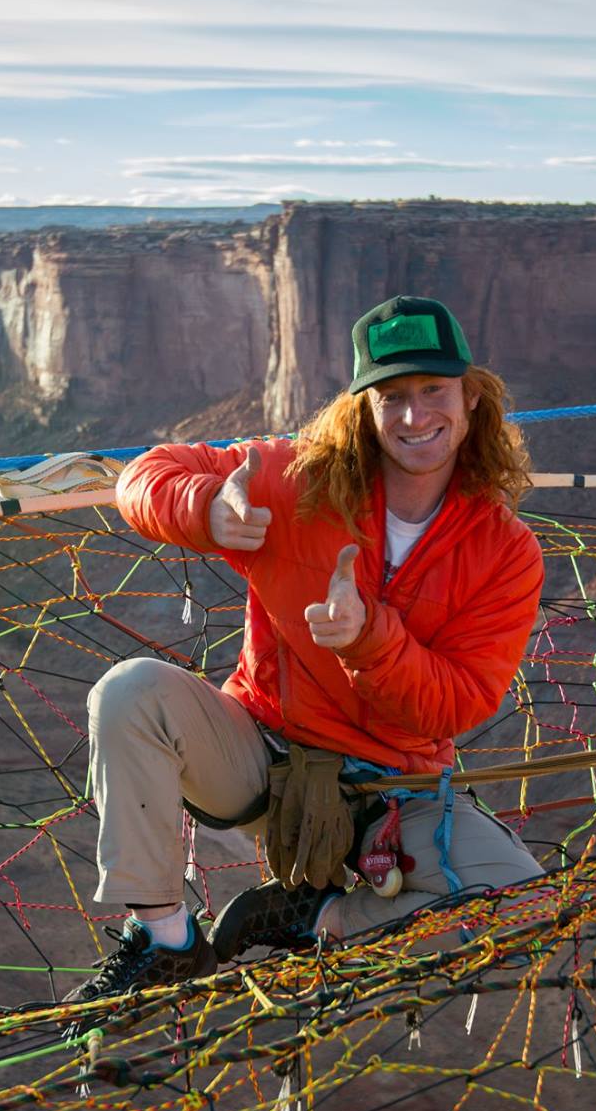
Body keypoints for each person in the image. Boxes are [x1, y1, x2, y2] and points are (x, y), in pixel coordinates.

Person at [66, 295, 548, 1002]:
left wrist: (368, 638)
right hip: (260, 756)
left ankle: (315, 917)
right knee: (129, 694)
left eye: (433, 392)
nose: (415, 416)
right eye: (391, 396)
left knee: (526, 908)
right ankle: (167, 938)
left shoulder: (506, 551)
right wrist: (206, 509)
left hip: (395, 786)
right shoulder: (300, 482)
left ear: (472, 399)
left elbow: (458, 702)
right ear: (362, 407)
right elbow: (142, 475)